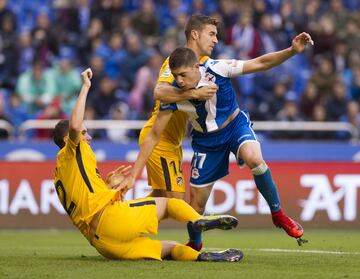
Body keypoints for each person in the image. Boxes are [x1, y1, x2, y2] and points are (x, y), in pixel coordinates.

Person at [121, 32, 314, 246]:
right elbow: (154, 134)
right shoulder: (176, 96)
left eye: (183, 75)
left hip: (234, 126)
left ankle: (278, 214)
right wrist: (134, 174)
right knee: (195, 205)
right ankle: (195, 243)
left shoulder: (217, 68)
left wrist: (291, 51)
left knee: (255, 159)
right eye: (175, 76)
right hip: (206, 143)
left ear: (196, 68)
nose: (179, 81)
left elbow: (260, 63)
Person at [53, 68, 242, 262]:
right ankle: (199, 220)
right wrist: (85, 87)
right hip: (111, 221)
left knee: (169, 249)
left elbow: (86, 201)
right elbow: (75, 125)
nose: (88, 137)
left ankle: (202, 257)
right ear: (67, 139)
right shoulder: (72, 150)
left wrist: (108, 187)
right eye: (85, 133)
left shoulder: (60, 172)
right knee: (170, 204)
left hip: (103, 244)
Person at [138, 14, 220, 251]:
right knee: (176, 203)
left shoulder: (202, 65)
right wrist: (193, 94)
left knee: (159, 198)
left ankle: (121, 224)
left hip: (173, 143)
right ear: (195, 34)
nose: (216, 40)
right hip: (160, 139)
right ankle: (203, 225)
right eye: (211, 34)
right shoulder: (177, 62)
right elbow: (159, 91)